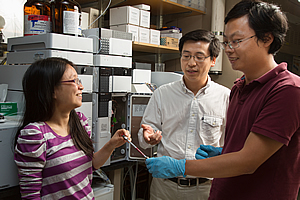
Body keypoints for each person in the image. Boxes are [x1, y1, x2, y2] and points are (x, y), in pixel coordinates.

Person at [145, 0, 300, 199]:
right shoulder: (239, 88)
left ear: (267, 38)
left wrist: (179, 165)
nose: (228, 49)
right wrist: (223, 153)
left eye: (236, 41)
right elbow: (243, 147)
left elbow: (248, 161)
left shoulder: (287, 90)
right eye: (226, 41)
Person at [14, 57, 131, 199]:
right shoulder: (34, 135)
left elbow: (91, 165)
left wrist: (112, 144)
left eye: (79, 80)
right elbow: (31, 195)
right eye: (73, 81)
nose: (80, 87)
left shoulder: (80, 122)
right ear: (51, 90)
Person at [138, 29, 230, 200]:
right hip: (164, 187)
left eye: (199, 57)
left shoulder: (226, 97)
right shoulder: (162, 94)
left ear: (213, 60)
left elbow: (233, 145)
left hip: (206, 188)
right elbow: (145, 135)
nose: (191, 63)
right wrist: (147, 137)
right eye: (186, 56)